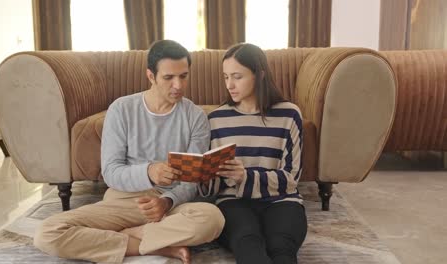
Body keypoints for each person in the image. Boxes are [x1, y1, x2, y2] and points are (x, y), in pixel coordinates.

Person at [34, 40, 225, 264]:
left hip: (171, 204)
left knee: (213, 219)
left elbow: (191, 182)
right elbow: (111, 172)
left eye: (183, 76)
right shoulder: (122, 109)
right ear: (151, 76)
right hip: (127, 200)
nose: (178, 85)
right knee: (48, 232)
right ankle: (157, 246)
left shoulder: (196, 117)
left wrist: (167, 201)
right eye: (168, 77)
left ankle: (126, 235)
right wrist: (149, 172)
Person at [199, 43, 308, 264]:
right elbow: (211, 188)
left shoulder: (289, 114)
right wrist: (202, 174)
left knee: (281, 247)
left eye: (237, 76)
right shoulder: (216, 120)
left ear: (259, 75)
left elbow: (291, 177)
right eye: (225, 76)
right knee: (248, 243)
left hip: (281, 200)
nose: (229, 84)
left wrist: (245, 177)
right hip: (233, 201)